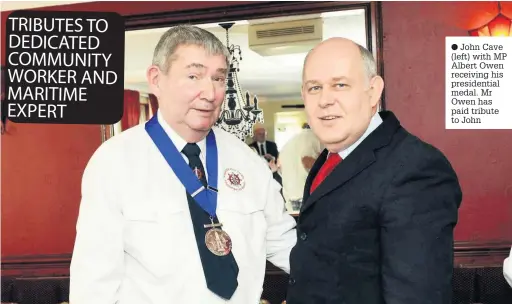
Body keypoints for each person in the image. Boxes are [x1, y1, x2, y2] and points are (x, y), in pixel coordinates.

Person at [70, 25, 297, 304]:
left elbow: (286, 245)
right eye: (194, 76)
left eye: (218, 78)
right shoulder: (114, 162)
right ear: (156, 79)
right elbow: (93, 282)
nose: (211, 93)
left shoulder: (248, 162)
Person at [286, 37, 462, 304]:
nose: (325, 100)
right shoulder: (331, 156)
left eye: (340, 85)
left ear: (373, 90)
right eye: (314, 88)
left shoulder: (416, 167)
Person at [277, 123, 323, 212]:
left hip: (290, 197)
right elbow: (311, 164)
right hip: (310, 197)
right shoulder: (318, 139)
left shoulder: (288, 143)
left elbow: (280, 169)